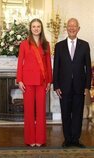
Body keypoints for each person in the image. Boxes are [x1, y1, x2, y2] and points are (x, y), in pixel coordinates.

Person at [53, 18, 92, 148]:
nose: (72, 28)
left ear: (78, 29)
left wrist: (87, 86)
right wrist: (56, 85)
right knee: (65, 113)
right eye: (69, 26)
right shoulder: (59, 46)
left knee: (77, 113)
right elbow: (56, 67)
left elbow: (88, 67)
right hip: (63, 87)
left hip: (79, 87)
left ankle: (75, 139)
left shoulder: (85, 45)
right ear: (66, 28)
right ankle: (67, 139)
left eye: (74, 26)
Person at [16, 18, 52, 147]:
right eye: (33, 26)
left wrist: (49, 81)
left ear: (41, 28)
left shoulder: (46, 44)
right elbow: (20, 62)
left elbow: (48, 64)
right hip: (28, 81)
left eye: (38, 26)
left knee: (41, 111)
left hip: (42, 81)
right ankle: (30, 139)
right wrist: (19, 79)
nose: (36, 28)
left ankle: (40, 139)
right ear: (30, 29)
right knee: (29, 111)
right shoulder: (24, 44)